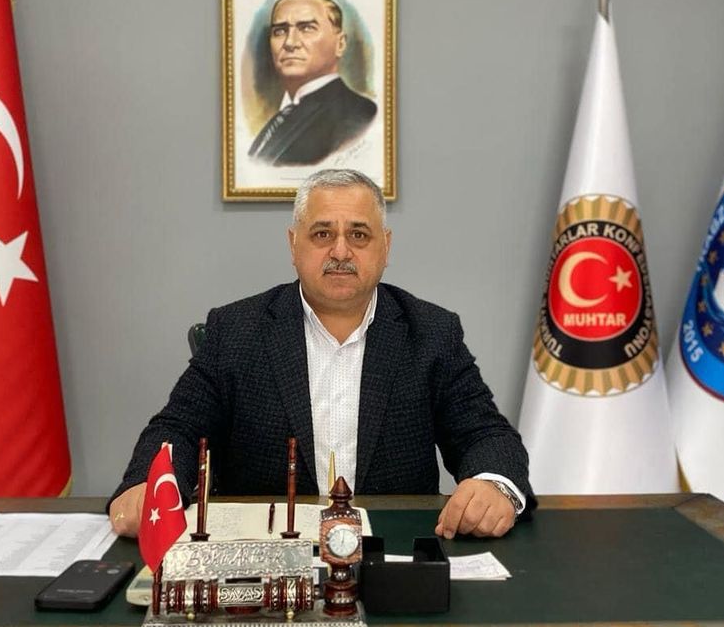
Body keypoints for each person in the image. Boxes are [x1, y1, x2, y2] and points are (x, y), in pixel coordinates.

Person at [108, 169, 533, 540]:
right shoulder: (236, 330)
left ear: (385, 248)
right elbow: (178, 428)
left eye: (359, 235)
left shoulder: (431, 332)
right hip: (267, 551)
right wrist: (150, 483)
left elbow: (484, 433)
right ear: (294, 245)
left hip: (392, 550)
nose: (341, 252)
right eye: (323, 234)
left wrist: (493, 484)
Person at [247, 0, 377, 166]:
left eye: (307, 28)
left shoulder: (358, 114)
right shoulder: (283, 114)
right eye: (280, 31)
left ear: (340, 44)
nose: (290, 43)